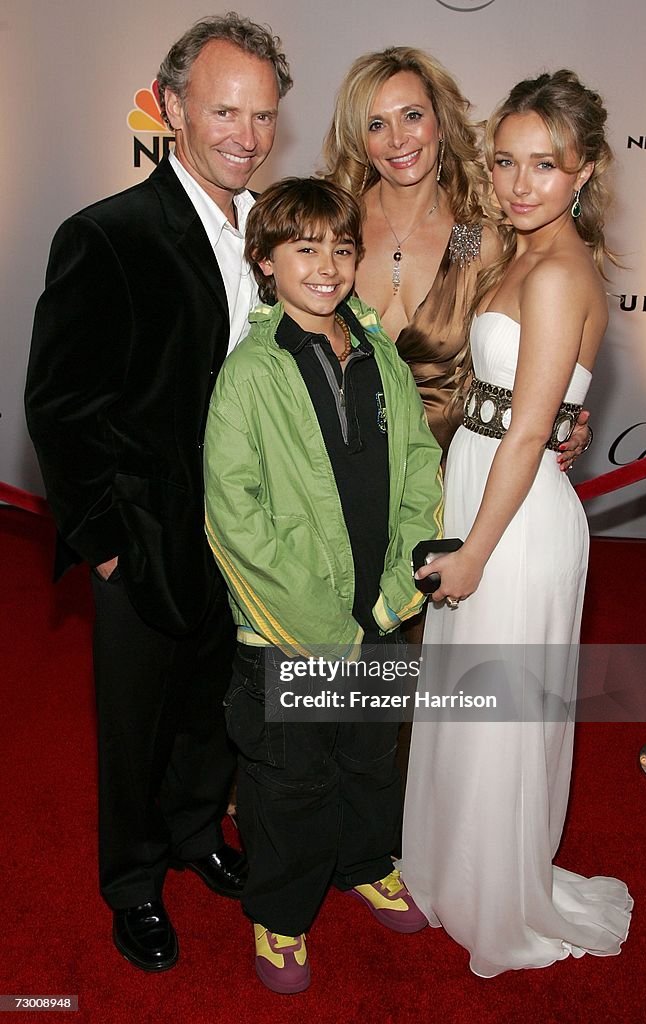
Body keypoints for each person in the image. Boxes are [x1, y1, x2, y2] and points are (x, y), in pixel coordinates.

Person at [24, 13, 292, 972]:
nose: (244, 134)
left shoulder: (276, 235)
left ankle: (192, 833)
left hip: (249, 536)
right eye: (224, 109)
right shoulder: (107, 235)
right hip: (143, 533)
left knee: (214, 705)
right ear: (173, 106)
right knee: (135, 721)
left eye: (262, 115)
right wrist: (103, 539)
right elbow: (57, 406)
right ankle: (132, 882)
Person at [400, 70, 633, 976]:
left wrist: (470, 553)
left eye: (545, 165)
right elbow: (457, 253)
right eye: (504, 162)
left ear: (584, 172)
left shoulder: (559, 269)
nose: (518, 183)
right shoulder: (507, 245)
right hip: (486, 481)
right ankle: (454, 869)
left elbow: (533, 427)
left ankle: (497, 895)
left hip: (514, 518)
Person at [203, 177, 443, 993]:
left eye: (342, 247)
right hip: (288, 630)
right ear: (265, 262)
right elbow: (236, 519)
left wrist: (392, 595)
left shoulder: (380, 355)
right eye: (303, 247)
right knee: (289, 779)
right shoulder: (247, 376)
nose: (327, 264)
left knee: (371, 758)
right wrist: (325, 631)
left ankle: (366, 861)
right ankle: (278, 912)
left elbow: (418, 468)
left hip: (377, 611)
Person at [322, 46, 591, 469]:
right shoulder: (334, 227)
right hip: (334, 472)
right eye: (377, 124)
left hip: (441, 484)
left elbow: (521, 365)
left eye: (412, 115)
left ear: (440, 123)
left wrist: (567, 423)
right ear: (360, 138)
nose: (398, 139)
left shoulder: (472, 239)